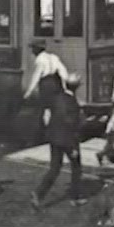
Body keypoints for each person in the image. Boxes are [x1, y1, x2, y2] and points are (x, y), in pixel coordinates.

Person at [33, 69, 86, 209]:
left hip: (54, 137)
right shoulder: (73, 104)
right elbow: (72, 126)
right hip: (68, 140)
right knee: (76, 167)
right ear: (77, 87)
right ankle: (75, 197)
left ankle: (39, 193)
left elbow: (50, 114)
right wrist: (74, 146)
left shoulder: (57, 98)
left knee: (55, 168)